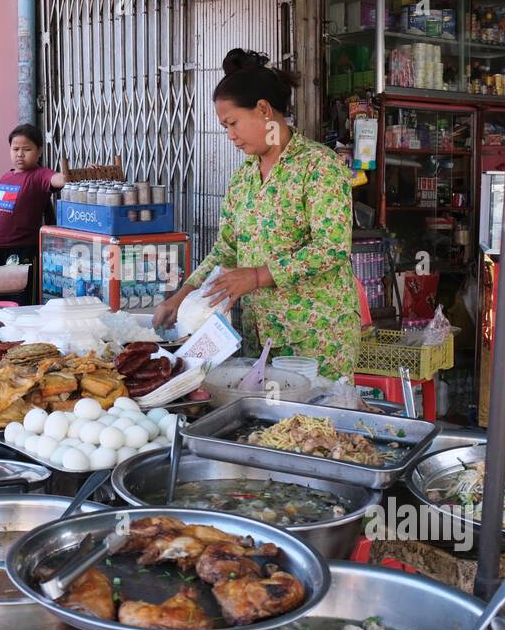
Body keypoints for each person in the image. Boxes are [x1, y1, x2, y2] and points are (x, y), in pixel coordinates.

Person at [153, 48, 363, 381]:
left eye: (233, 123)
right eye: (225, 127)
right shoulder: (244, 177)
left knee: (313, 427)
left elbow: (332, 248)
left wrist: (256, 276)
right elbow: (226, 250)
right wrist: (181, 297)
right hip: (261, 333)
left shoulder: (320, 166)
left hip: (315, 337)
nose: (230, 135)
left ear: (263, 109)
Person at [0, 124, 66, 267]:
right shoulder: (6, 176)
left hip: (21, 250)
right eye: (15, 149)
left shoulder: (40, 174)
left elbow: (59, 179)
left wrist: (77, 176)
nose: (20, 154)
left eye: (27, 149)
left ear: (39, 151)